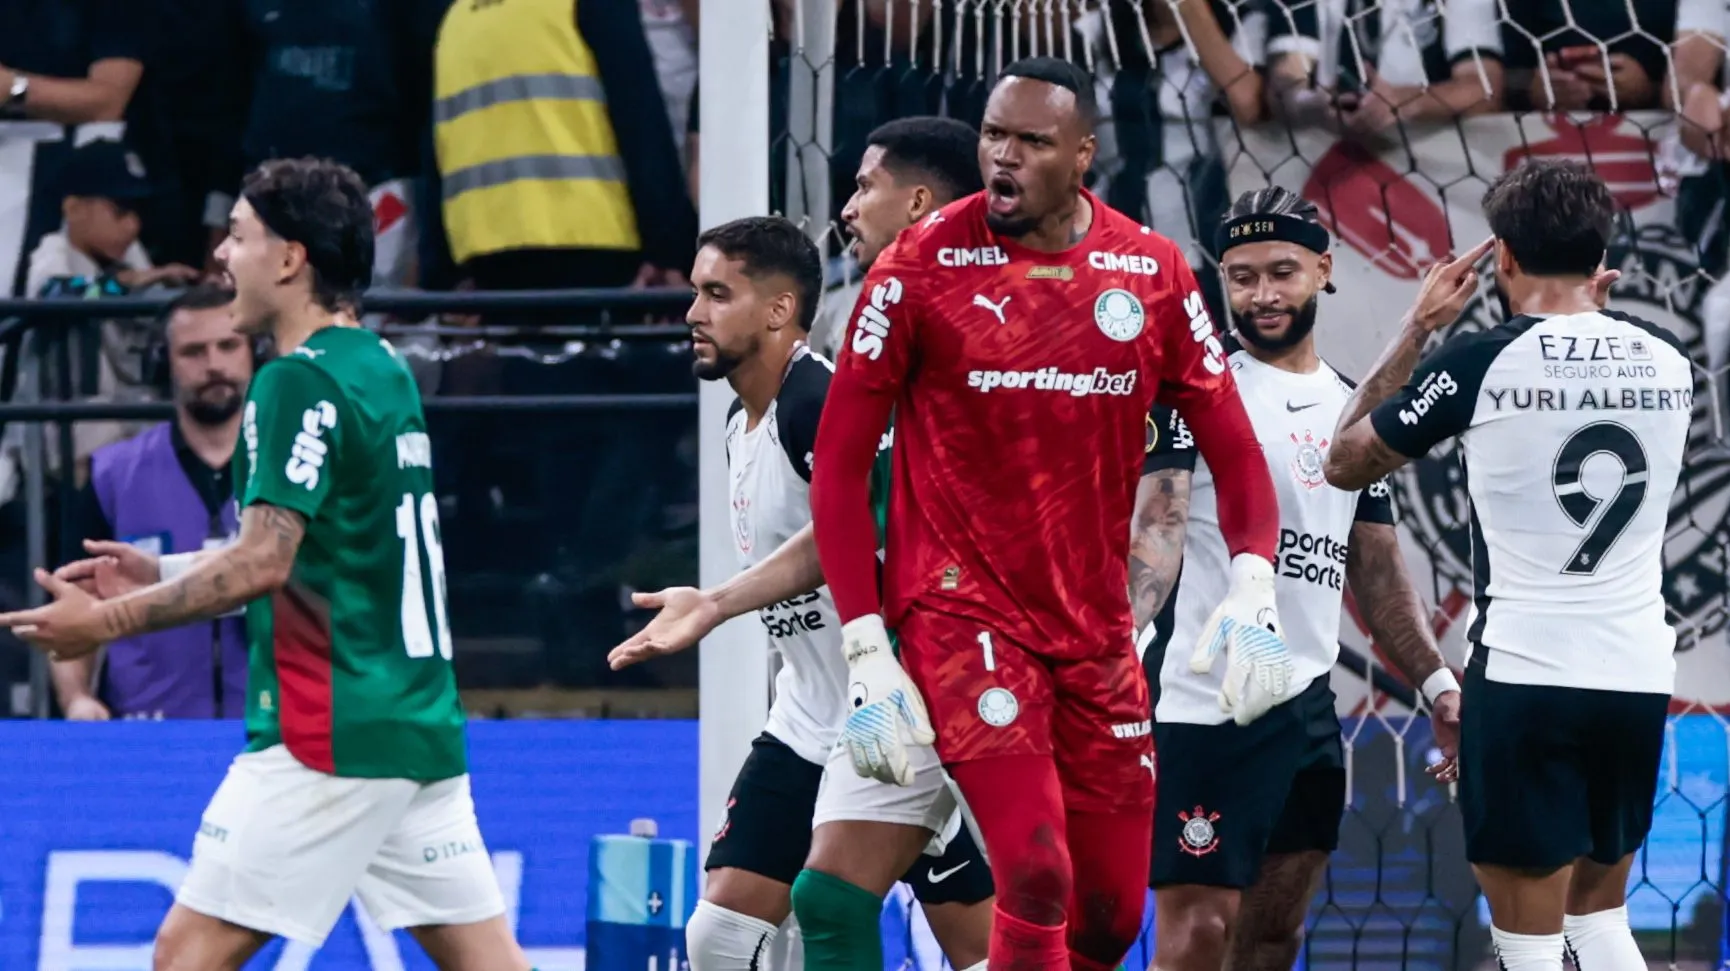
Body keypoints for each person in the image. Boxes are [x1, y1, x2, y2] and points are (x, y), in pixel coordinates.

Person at [809, 57, 1288, 971]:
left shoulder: (1149, 274)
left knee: (1106, 916)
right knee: (1034, 875)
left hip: (1092, 625)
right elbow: (837, 465)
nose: (1004, 157)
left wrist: (1254, 583)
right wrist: (867, 644)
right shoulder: (918, 265)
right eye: (995, 135)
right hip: (960, 613)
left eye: (1032, 142)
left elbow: (1232, 445)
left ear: (1083, 156)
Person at [0, 157, 532, 971]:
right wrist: (162, 570)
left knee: (185, 956)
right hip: (413, 719)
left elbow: (262, 562)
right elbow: (318, 548)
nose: (221, 254)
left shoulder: (292, 382)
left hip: (329, 730)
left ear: (290, 259)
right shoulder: (381, 368)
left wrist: (102, 622)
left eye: (240, 236)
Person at [608, 120, 990, 971]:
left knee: (981, 951)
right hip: (807, 718)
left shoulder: (820, 400)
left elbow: (856, 525)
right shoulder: (743, 418)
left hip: (897, 713)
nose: (691, 312)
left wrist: (716, 601)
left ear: (781, 309)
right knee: (721, 937)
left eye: (716, 295)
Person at [1323, 158, 1687, 971]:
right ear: (1603, 263)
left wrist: (1418, 326)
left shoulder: (1479, 363)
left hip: (1527, 674)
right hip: (1635, 676)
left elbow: (1344, 461)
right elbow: (1592, 364)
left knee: (1526, 942)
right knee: (1601, 920)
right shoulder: (1669, 361)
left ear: (1505, 259)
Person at [1131, 187, 1463, 971]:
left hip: (1307, 710)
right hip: (1197, 703)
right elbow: (1158, 530)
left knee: (1274, 936)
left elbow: (1375, 566)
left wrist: (1437, 681)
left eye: (1281, 271)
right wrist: (1118, 649)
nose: (1262, 294)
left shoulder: (1350, 409)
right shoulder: (1194, 396)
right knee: (1197, 934)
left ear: (1325, 269)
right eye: (1241, 277)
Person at [53, 284, 255, 721]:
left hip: (273, 731)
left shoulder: (295, 469)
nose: (214, 364)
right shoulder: (112, 475)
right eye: (193, 352)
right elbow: (72, 604)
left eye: (228, 345)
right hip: (147, 732)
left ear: (254, 352)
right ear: (164, 363)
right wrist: (77, 699)